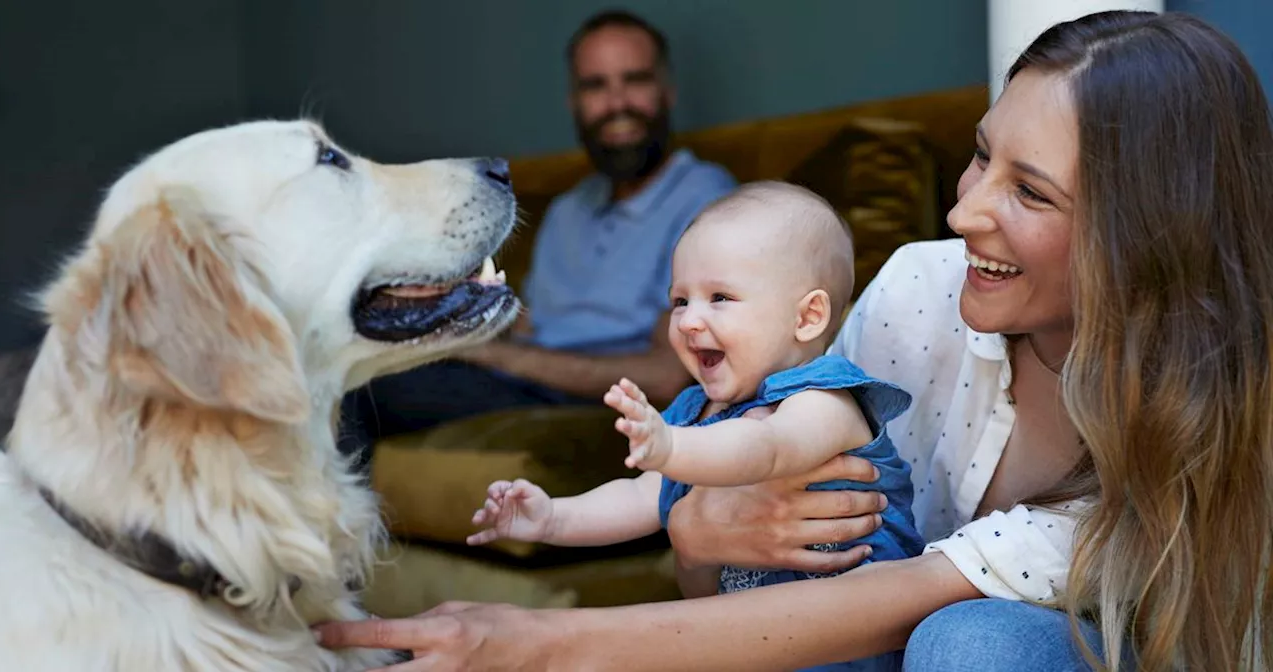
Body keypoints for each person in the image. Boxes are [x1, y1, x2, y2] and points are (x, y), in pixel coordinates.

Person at [315, 10, 1273, 671]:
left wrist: (531, 642)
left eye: (1030, 191)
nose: (962, 206)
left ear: (1141, 235)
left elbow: (896, 604)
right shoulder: (916, 291)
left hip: (985, 648)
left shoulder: (1187, 422)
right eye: (983, 153)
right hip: (865, 642)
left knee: (976, 641)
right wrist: (696, 531)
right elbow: (745, 570)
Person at [465, 182, 924, 672]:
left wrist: (671, 445)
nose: (687, 321)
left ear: (807, 317)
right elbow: (639, 498)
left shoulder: (825, 399)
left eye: (719, 297)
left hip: (851, 647)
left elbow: (765, 446)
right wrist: (552, 519)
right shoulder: (695, 410)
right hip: (754, 645)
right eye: (680, 300)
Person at [337, 9, 736, 459]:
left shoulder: (707, 200)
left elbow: (668, 375)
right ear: (574, 102)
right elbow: (531, 324)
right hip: (512, 382)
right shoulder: (567, 210)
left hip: (587, 399)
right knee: (348, 364)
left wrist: (491, 355)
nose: (617, 102)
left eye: (636, 79)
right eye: (595, 86)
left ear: (667, 92)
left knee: (358, 390)